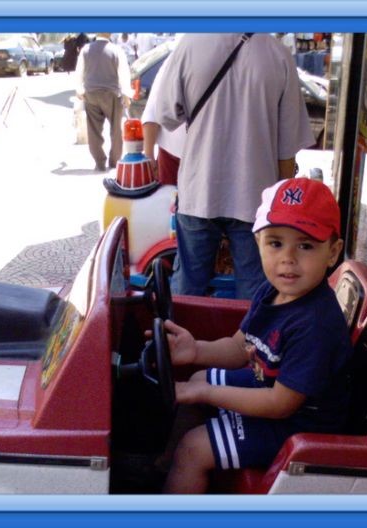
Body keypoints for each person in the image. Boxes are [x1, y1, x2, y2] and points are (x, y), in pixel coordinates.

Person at [160, 177, 352, 494]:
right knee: (196, 378)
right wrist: (196, 350)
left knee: (194, 448)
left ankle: (180, 476)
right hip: (271, 392)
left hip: (301, 426)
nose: (288, 258)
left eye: (305, 245)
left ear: (332, 253)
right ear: (258, 243)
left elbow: (279, 404)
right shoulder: (272, 291)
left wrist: (206, 394)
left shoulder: (316, 324)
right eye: (275, 243)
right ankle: (167, 468)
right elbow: (240, 347)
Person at [155, 33, 315, 299]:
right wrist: (280, 210)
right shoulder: (278, 55)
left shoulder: (190, 44)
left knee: (188, 287)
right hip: (255, 198)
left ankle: (178, 327)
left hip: (199, 189)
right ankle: (248, 329)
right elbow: (287, 150)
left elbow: (166, 115)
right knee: (254, 293)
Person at [75, 32, 132, 172]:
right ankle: (114, 161)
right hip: (111, 94)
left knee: (94, 130)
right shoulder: (117, 50)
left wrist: (79, 90)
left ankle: (99, 162)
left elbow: (79, 72)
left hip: (91, 94)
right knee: (116, 129)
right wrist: (126, 94)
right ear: (110, 34)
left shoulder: (86, 50)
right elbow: (124, 74)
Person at [142, 54, 185, 186]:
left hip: (176, 154)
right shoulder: (176, 58)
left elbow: (152, 112)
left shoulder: (176, 57)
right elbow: (153, 112)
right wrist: (149, 156)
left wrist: (149, 155)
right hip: (173, 157)